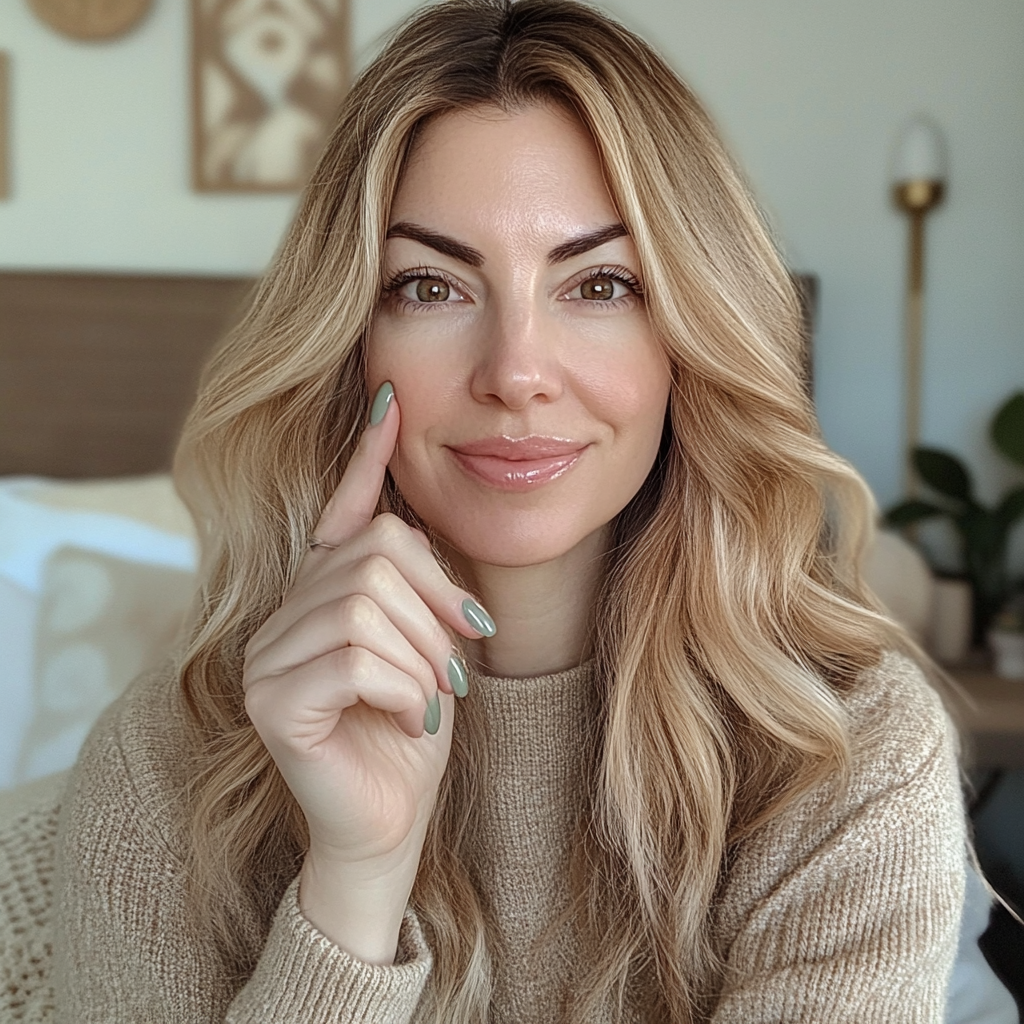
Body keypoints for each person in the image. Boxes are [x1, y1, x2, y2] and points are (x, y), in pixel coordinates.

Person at [1, 1, 967, 1021]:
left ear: (688, 335)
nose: (515, 373)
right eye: (429, 286)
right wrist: (354, 884)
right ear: (347, 343)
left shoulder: (845, 753)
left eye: (600, 283)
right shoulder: (164, 764)